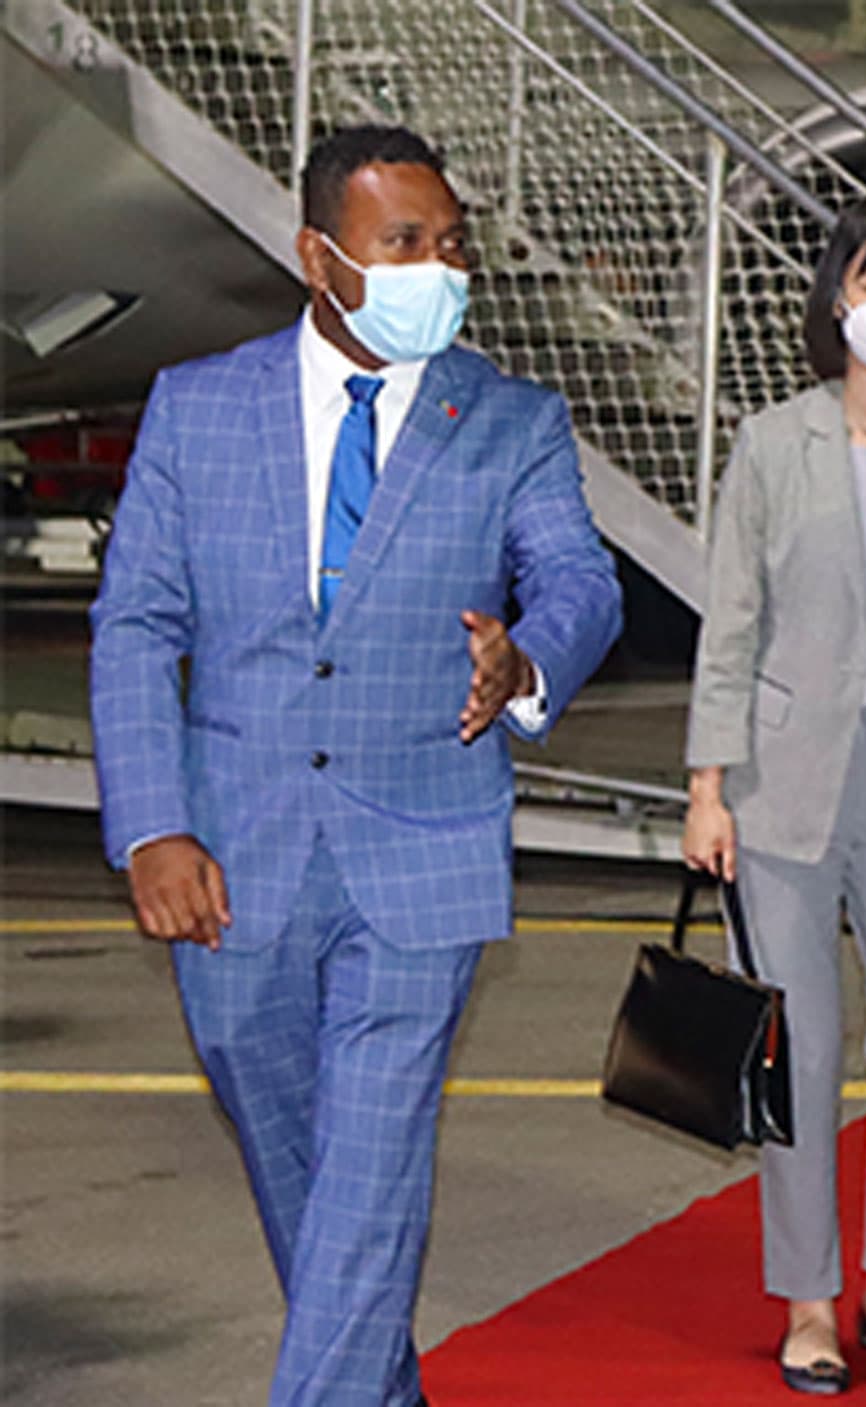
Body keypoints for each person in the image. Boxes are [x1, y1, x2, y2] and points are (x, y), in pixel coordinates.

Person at [87, 125, 622, 1407]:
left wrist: (526, 662)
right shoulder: (198, 408)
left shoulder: (510, 420)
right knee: (315, 1185)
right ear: (319, 257)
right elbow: (137, 623)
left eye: (454, 245)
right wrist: (152, 825)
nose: (441, 268)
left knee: (372, 1173)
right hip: (232, 854)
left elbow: (580, 580)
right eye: (406, 243)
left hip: (423, 850)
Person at [680, 192, 866, 1397]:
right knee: (797, 1054)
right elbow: (731, 621)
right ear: (837, 298)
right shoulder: (773, 443)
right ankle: (808, 1299)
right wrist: (707, 785)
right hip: (783, 778)